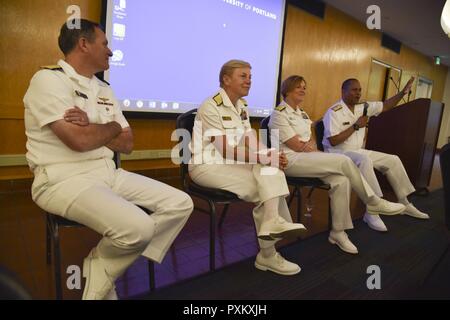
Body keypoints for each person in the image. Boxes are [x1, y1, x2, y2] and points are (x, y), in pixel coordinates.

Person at [23, 19, 193, 300]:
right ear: (83, 44)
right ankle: (110, 267)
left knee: (180, 203)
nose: (111, 52)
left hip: (107, 172)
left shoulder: (104, 89)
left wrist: (92, 124)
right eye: (105, 44)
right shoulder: (48, 80)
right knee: (139, 227)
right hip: (63, 179)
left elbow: (127, 144)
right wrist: (111, 126)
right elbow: (80, 141)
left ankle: (104, 265)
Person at [189, 60, 306, 275]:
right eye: (243, 76)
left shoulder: (241, 106)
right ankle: (268, 254)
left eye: (250, 76)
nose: (249, 80)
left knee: (271, 171)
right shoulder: (210, 105)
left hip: (232, 163)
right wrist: (263, 158)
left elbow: (250, 138)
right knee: (265, 186)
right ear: (226, 79)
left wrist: (269, 154)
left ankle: (271, 227)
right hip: (206, 166)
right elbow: (223, 149)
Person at [268, 75, 405, 253]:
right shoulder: (279, 114)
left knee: (341, 179)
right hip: (289, 161)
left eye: (304, 87)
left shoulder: (302, 113)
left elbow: (309, 142)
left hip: (306, 158)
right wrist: (318, 153)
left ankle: (338, 232)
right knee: (344, 160)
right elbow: (297, 146)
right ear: (286, 91)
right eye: (297, 87)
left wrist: (315, 151)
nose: (303, 90)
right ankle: (372, 201)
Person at [322, 77, 430, 229]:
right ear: (343, 91)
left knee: (392, 160)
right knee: (365, 160)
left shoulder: (363, 107)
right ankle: (373, 211)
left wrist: (403, 93)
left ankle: (405, 203)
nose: (358, 93)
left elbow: (385, 106)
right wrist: (356, 126)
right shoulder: (334, 112)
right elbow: (333, 141)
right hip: (337, 153)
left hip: (356, 151)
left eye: (359, 90)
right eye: (354, 90)